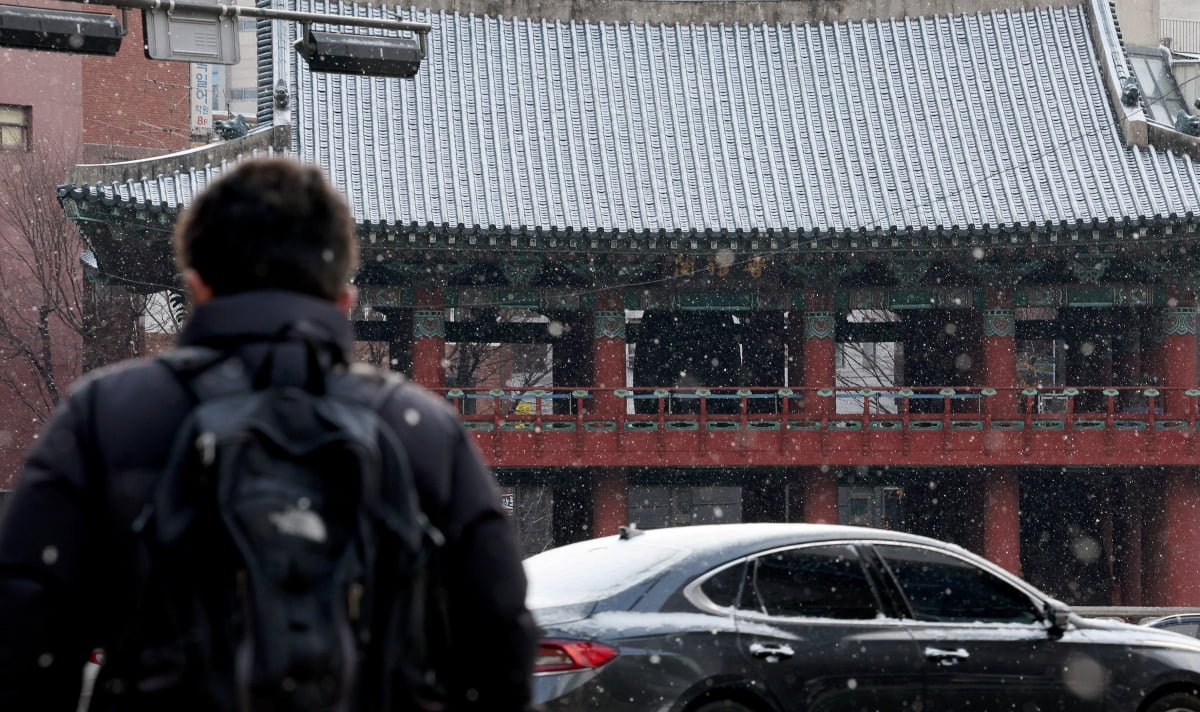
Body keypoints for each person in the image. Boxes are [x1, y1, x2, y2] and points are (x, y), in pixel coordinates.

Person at [0, 158, 537, 711]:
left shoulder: (107, 415)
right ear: (343, 302)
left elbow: (24, 637)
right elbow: (499, 645)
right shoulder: (422, 430)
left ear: (197, 287)